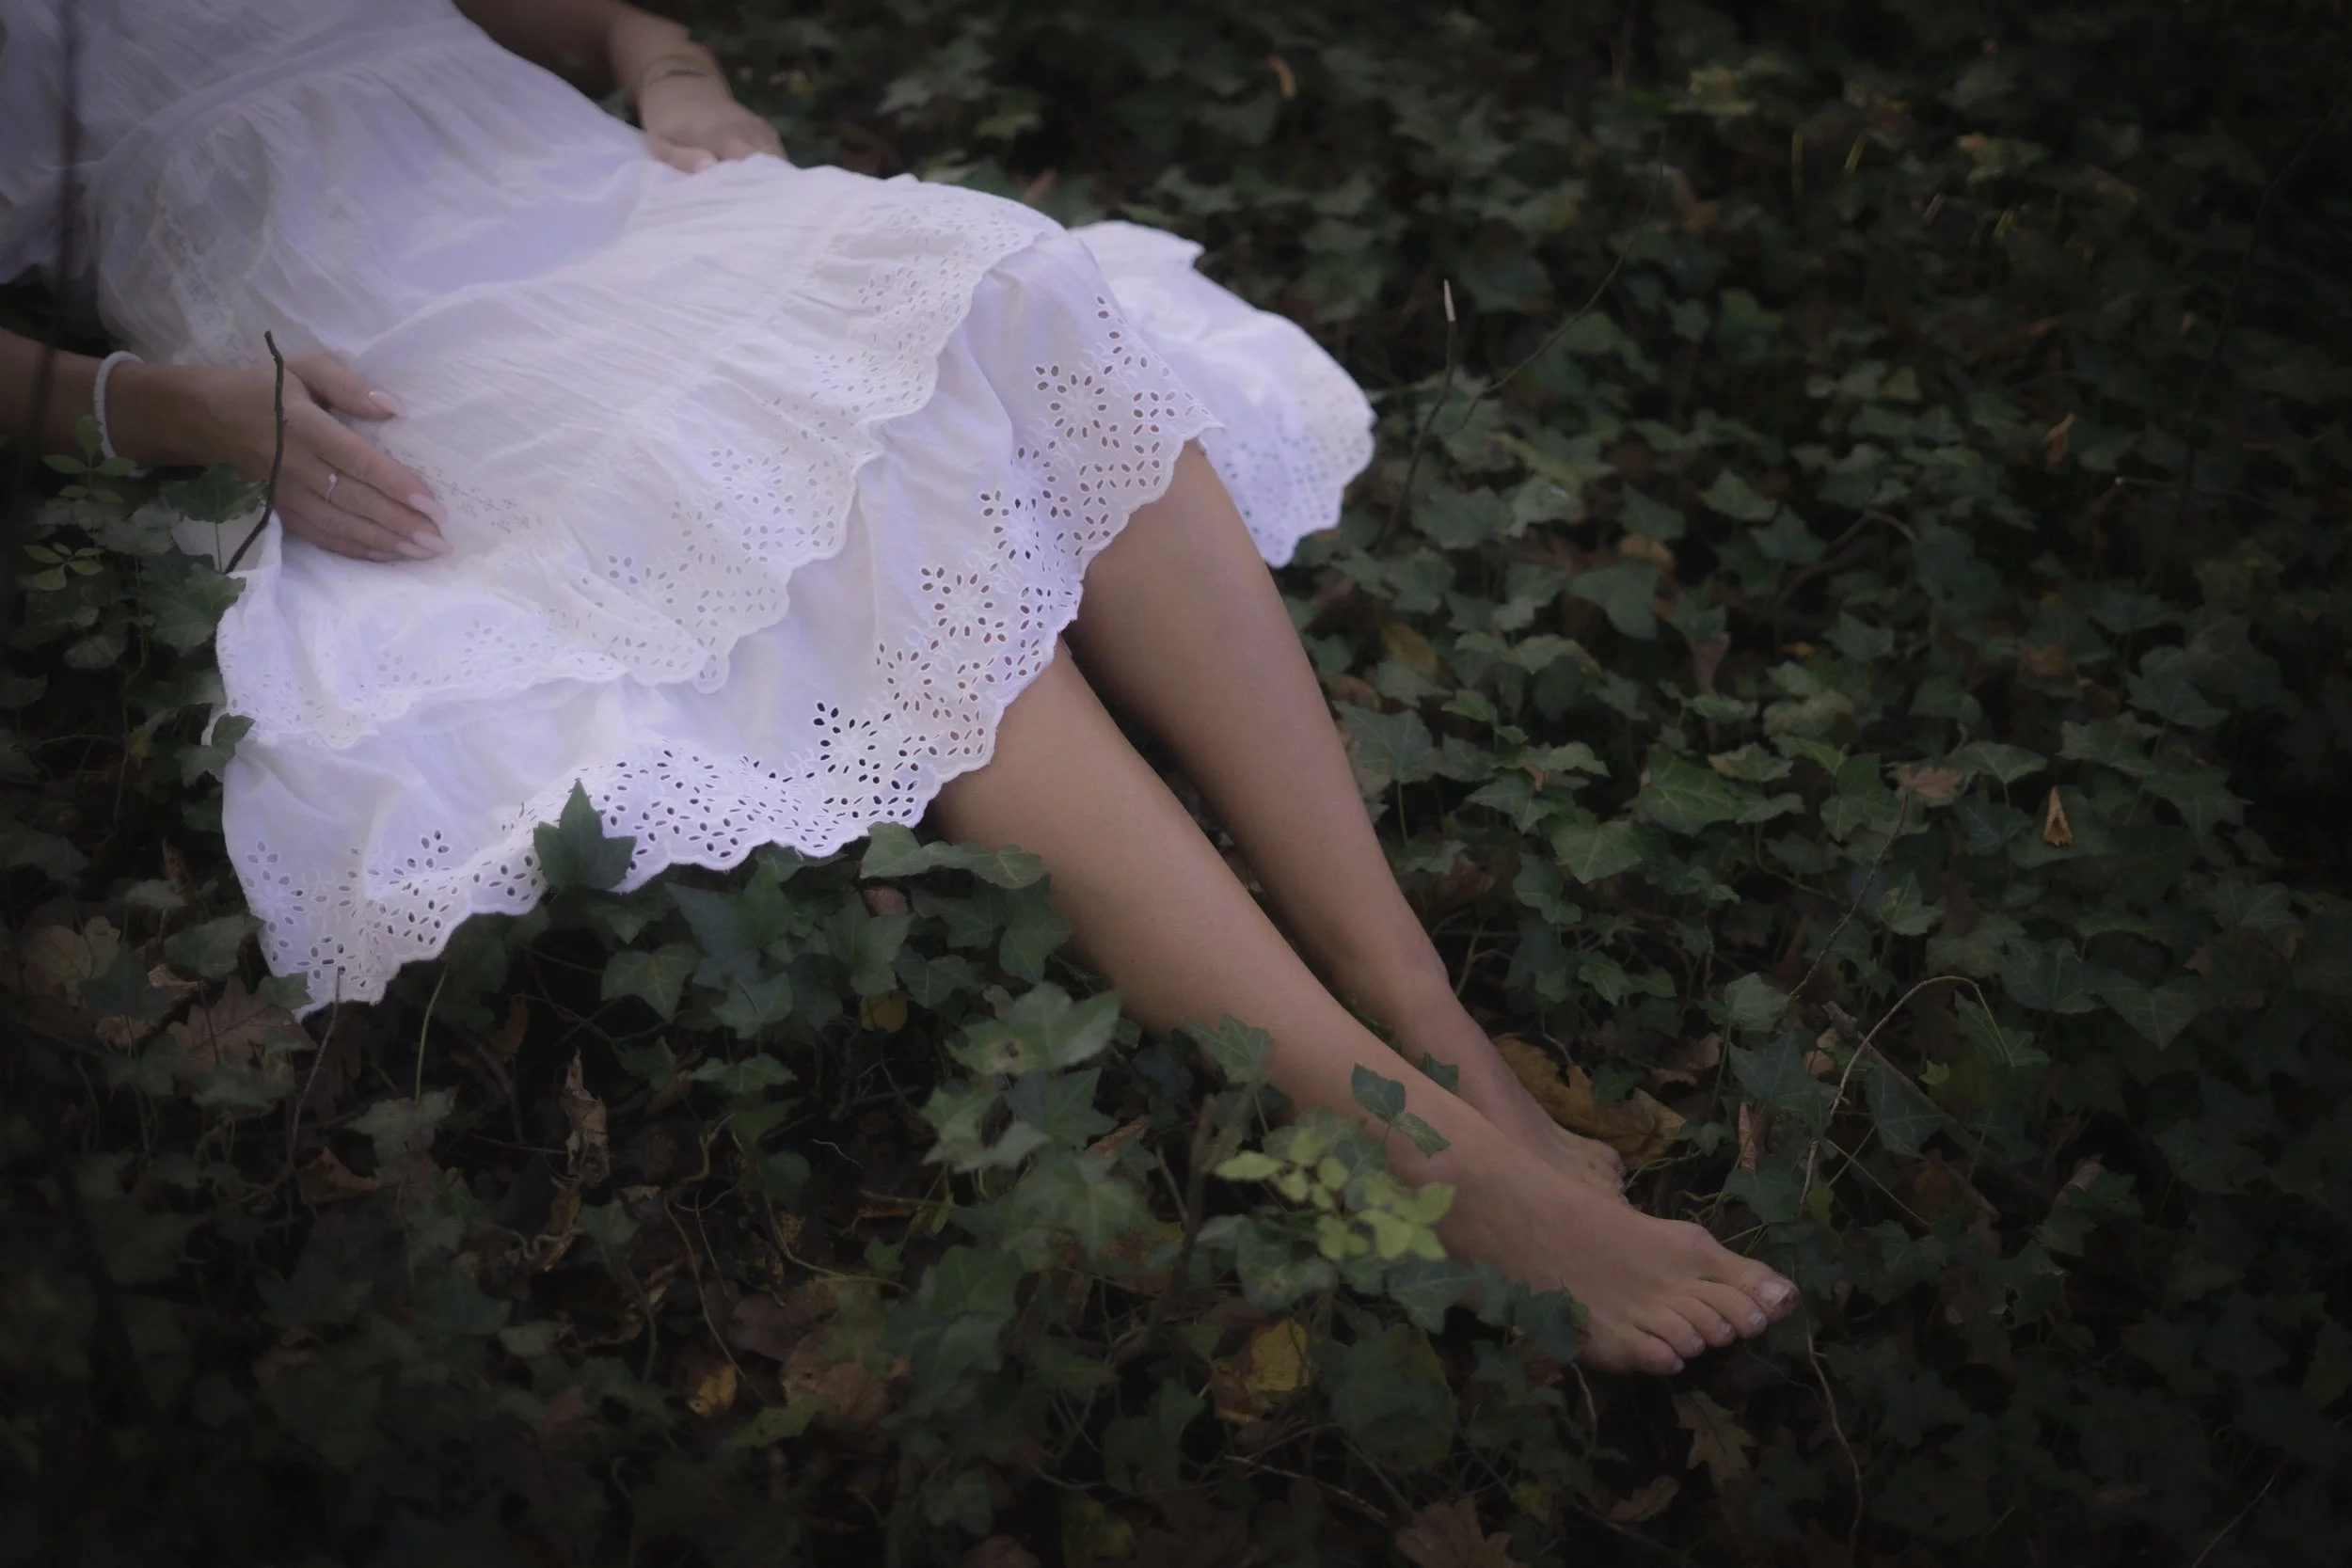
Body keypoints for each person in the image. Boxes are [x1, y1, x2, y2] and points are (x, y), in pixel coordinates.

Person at [0, 0, 1798, 1374]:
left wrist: (674, 66)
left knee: (1000, 289)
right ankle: (1413, 1140)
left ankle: (1430, 1012)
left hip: (599, 203)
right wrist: (147, 407)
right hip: (358, 318)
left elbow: (582, 18)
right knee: (846, 526)